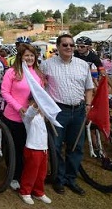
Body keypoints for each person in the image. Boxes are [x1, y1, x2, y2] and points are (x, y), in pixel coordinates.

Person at [40, 34, 94, 196]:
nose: (69, 48)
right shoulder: (46, 65)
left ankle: (71, 179)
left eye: (71, 45)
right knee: (56, 147)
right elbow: (40, 86)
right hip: (57, 111)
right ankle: (58, 178)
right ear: (57, 47)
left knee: (76, 147)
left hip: (78, 111)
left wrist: (88, 104)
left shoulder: (83, 65)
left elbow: (89, 88)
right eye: (65, 45)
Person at [1, 43, 44, 191]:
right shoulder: (12, 72)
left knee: (28, 149)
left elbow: (41, 94)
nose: (30, 58)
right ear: (20, 57)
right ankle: (13, 175)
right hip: (14, 117)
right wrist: (19, 108)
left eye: (32, 55)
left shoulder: (37, 73)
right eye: (27, 55)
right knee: (15, 149)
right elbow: (5, 92)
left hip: (32, 119)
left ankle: (26, 176)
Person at [18, 100, 52, 205]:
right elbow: (29, 115)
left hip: (43, 149)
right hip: (33, 148)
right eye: (33, 103)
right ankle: (25, 192)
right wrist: (35, 106)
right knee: (30, 172)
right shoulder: (27, 116)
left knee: (41, 173)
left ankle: (38, 192)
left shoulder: (42, 116)